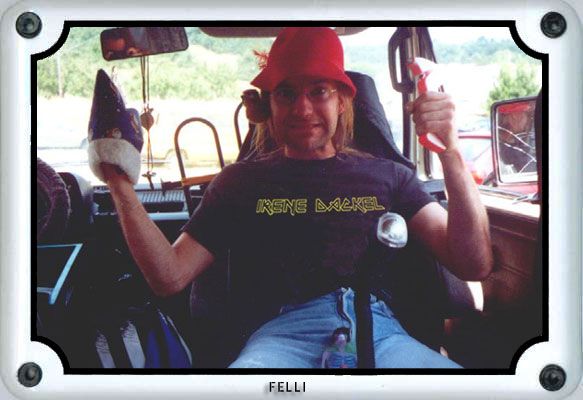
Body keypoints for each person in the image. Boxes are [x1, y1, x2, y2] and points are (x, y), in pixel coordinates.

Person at [91, 27, 493, 368]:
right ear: (270, 104)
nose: (302, 108)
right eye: (286, 93)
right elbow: (170, 277)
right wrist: (118, 179)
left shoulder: (391, 177)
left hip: (380, 331)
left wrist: (450, 151)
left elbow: (473, 263)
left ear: (342, 100)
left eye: (319, 91)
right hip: (281, 336)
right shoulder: (239, 183)